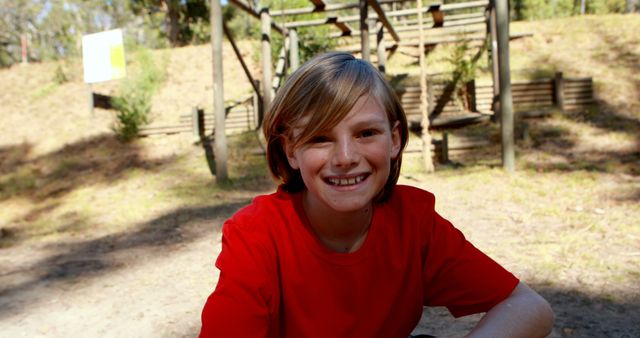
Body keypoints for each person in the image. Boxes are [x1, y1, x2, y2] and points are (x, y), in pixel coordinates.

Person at [199, 52, 554, 337]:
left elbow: (529, 307)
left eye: (366, 133)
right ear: (291, 151)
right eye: (320, 138)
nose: (346, 157)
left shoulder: (414, 221)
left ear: (395, 139)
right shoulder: (257, 235)